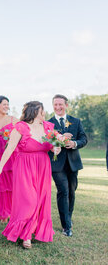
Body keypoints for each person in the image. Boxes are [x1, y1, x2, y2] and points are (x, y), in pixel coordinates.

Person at [0, 101, 60, 249]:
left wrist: (56, 149)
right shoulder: (20, 127)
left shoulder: (48, 127)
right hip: (24, 166)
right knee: (29, 201)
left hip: (43, 167)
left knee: (40, 200)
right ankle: (26, 235)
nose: (44, 113)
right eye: (42, 111)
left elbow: (55, 144)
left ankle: (30, 232)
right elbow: (10, 148)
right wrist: (1, 166)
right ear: (35, 111)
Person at [48, 94, 87, 237]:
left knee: (71, 191)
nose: (58, 107)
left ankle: (68, 217)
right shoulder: (48, 123)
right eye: (55, 104)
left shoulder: (76, 121)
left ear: (66, 105)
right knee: (63, 191)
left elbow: (84, 138)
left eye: (60, 104)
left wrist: (74, 143)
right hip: (56, 164)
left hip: (73, 163)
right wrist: (55, 144)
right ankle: (66, 226)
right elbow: (45, 143)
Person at [0, 96, 18, 222]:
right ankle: (1, 211)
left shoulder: (14, 120)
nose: (7, 107)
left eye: (8, 104)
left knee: (11, 183)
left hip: (10, 155)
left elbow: (21, 136)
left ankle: (12, 210)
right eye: (4, 104)